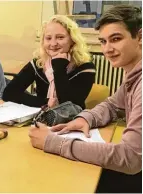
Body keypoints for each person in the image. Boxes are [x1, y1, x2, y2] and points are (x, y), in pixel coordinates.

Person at [29, 5, 142, 193]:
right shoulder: (133, 74)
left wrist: (52, 142)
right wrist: (84, 118)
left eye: (115, 39)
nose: (107, 49)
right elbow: (112, 104)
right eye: (103, 41)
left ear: (140, 37)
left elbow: (130, 158)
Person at [3, 15, 95, 109]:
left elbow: (68, 106)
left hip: (72, 121)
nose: (53, 43)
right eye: (48, 38)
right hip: (42, 118)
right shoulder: (39, 62)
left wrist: (59, 67)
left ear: (72, 40)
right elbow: (8, 94)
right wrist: (45, 102)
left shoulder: (85, 67)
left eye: (60, 37)